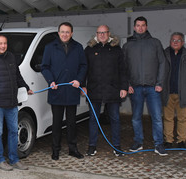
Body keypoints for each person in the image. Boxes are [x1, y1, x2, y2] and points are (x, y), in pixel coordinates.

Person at [0, 34, 33, 171]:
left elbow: (17, 76)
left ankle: (14, 159)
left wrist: (26, 87)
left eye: (5, 43)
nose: (3, 46)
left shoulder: (11, 57)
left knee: (14, 131)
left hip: (12, 103)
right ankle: (0, 160)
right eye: (0, 43)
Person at [41, 22, 87, 160]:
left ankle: (73, 149)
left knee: (72, 123)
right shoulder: (50, 47)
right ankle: (55, 150)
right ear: (58, 33)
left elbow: (83, 66)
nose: (65, 34)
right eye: (62, 32)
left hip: (72, 90)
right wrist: (51, 81)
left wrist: (79, 80)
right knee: (56, 123)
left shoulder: (78, 47)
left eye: (67, 32)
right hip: (57, 90)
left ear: (72, 33)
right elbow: (44, 67)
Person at [122, 16, 167, 156]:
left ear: (146, 27)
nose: (140, 28)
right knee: (136, 117)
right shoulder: (128, 45)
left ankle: (159, 144)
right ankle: (138, 142)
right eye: (138, 25)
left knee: (157, 118)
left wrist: (159, 83)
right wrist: (127, 84)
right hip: (135, 88)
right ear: (134, 27)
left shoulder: (155, 43)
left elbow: (162, 63)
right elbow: (124, 67)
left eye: (143, 25)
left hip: (153, 87)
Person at [83, 25, 128, 157]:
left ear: (109, 34)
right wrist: (82, 85)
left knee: (115, 119)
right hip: (94, 90)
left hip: (112, 90)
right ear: (96, 34)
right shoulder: (89, 50)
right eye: (99, 33)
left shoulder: (117, 50)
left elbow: (123, 71)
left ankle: (117, 147)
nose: (102, 35)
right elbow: (84, 69)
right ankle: (92, 146)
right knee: (93, 119)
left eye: (104, 32)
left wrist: (124, 87)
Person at [162, 32, 186, 148]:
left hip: (184, 92)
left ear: (183, 42)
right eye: (173, 40)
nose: (175, 42)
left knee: (182, 118)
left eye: (178, 40)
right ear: (170, 41)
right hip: (167, 92)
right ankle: (168, 140)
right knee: (168, 118)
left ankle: (181, 140)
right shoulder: (164, 54)